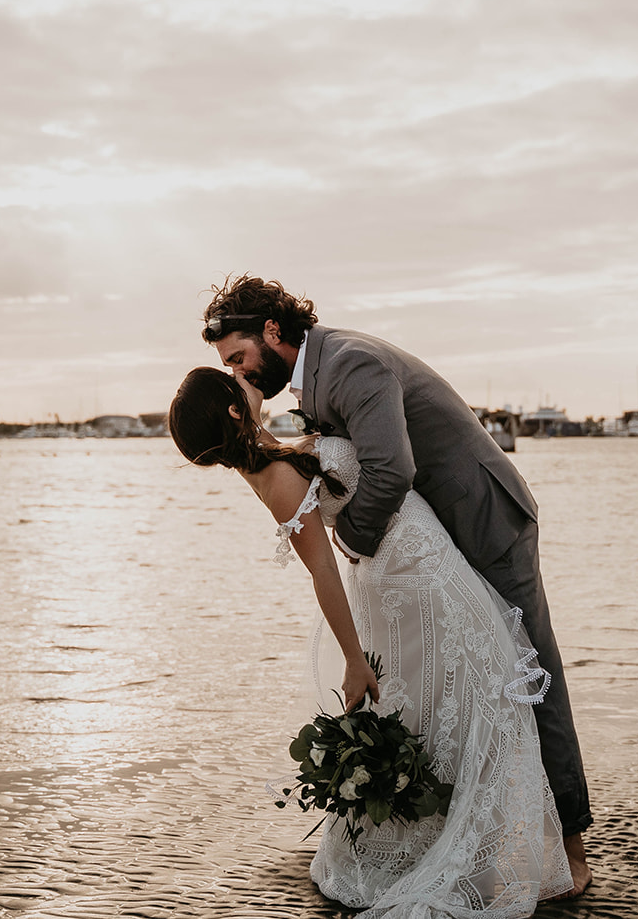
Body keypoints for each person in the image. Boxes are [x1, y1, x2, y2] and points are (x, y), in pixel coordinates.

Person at [198, 275, 593, 899]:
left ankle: (570, 845)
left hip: (482, 518)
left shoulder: (351, 363)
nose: (239, 372)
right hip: (432, 540)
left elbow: (392, 469)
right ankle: (458, 834)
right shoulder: (319, 375)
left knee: (526, 669)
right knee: (453, 685)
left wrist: (351, 544)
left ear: (273, 332)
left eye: (238, 357)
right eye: (228, 368)